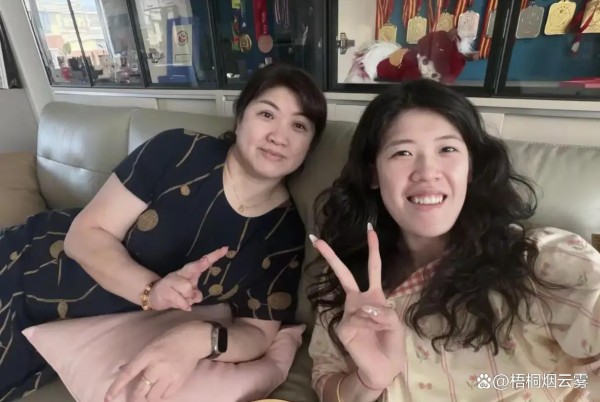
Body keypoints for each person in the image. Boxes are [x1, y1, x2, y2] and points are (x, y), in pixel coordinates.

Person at [0, 63, 327, 402]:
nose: (279, 136)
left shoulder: (283, 234)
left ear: (310, 145)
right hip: (31, 272)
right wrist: (151, 290)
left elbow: (258, 331)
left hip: (77, 335)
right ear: (240, 116)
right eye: (267, 114)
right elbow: (83, 235)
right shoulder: (178, 152)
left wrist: (201, 339)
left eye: (299, 125)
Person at [306, 79, 600, 402]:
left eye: (447, 149)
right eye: (403, 152)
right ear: (374, 173)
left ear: (471, 167)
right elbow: (326, 381)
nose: (427, 171)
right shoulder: (348, 280)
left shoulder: (541, 260)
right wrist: (370, 380)